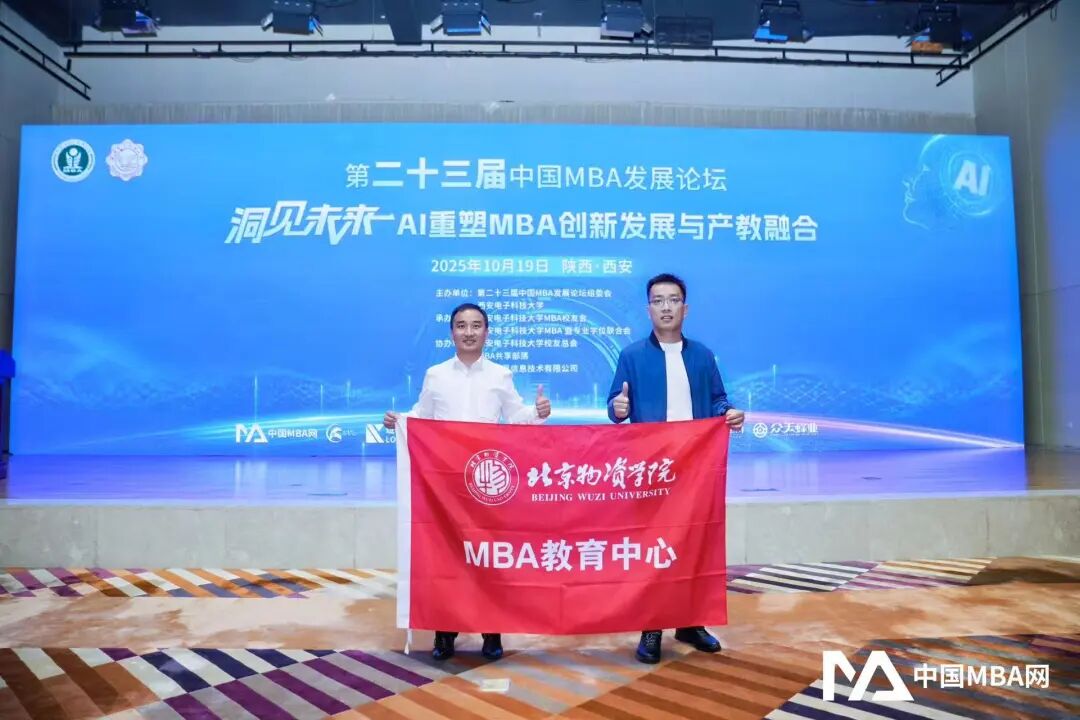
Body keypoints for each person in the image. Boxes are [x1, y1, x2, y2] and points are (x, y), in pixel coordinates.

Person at [385, 302, 551, 661]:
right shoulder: (435, 375)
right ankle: (445, 632)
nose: (469, 332)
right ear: (452, 333)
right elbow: (422, 416)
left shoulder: (500, 375)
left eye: (476, 325)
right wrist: (399, 421)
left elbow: (515, 417)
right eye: (462, 325)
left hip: (488, 481)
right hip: (446, 482)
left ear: (487, 332)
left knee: (488, 555)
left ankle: (492, 631)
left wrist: (536, 413)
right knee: (447, 556)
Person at [606, 273, 745, 664]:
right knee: (655, 548)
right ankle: (652, 628)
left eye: (673, 300)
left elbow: (718, 399)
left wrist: (729, 412)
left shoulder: (702, 355)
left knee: (694, 545)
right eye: (658, 300)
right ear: (648, 308)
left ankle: (690, 622)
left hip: (695, 469)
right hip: (652, 471)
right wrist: (618, 408)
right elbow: (615, 405)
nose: (666, 307)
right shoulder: (632, 356)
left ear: (686, 308)